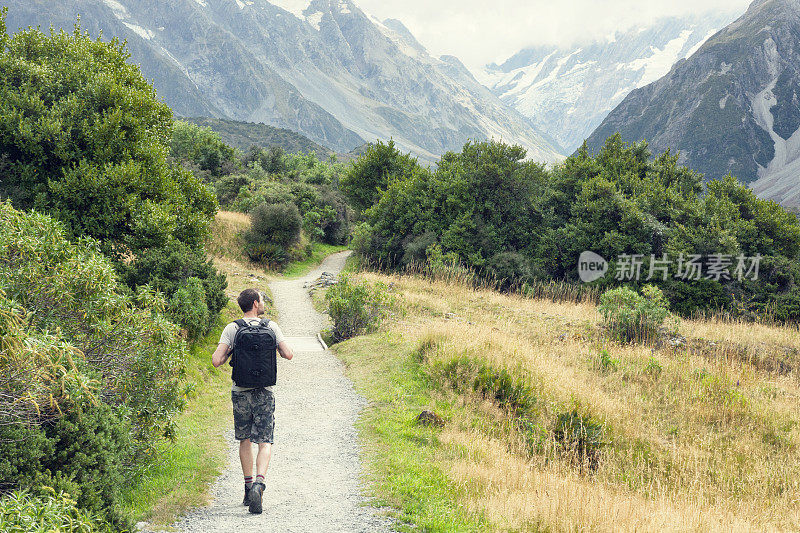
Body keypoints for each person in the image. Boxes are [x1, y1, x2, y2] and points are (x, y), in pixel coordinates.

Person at [211, 288, 294, 514]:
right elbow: (288, 354)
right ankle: (260, 483)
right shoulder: (271, 326)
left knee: (244, 439)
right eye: (262, 299)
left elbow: (216, 361)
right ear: (256, 303)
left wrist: (232, 351)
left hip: (240, 392)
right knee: (265, 441)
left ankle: (248, 488)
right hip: (264, 392)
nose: (263, 302)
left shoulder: (232, 328)